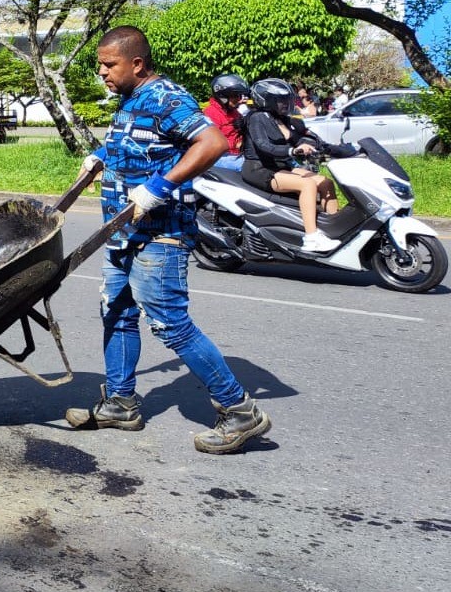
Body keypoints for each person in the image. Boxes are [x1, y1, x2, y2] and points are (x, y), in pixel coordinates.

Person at [67, 25, 272, 455]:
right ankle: (120, 403)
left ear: (136, 64)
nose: (102, 72)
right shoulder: (129, 100)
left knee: (169, 322)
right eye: (100, 64)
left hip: (161, 234)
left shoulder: (167, 98)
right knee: (118, 313)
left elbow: (211, 143)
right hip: (122, 231)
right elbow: (135, 146)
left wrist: (159, 187)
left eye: (109, 65)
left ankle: (239, 410)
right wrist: (100, 157)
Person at [240, 78, 342, 254]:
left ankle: (334, 229)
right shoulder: (256, 118)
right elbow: (264, 145)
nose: (285, 104)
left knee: (325, 182)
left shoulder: (280, 119)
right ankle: (311, 238)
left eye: (286, 100)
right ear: (266, 100)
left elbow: (298, 139)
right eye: (280, 100)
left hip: (280, 166)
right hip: (260, 169)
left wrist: (321, 146)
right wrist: (292, 152)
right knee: (308, 184)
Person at [203, 73, 251, 170]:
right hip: (221, 156)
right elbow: (212, 143)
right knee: (251, 167)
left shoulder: (233, 112)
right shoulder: (211, 114)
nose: (239, 99)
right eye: (235, 96)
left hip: (238, 154)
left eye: (239, 96)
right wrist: (238, 144)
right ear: (222, 96)